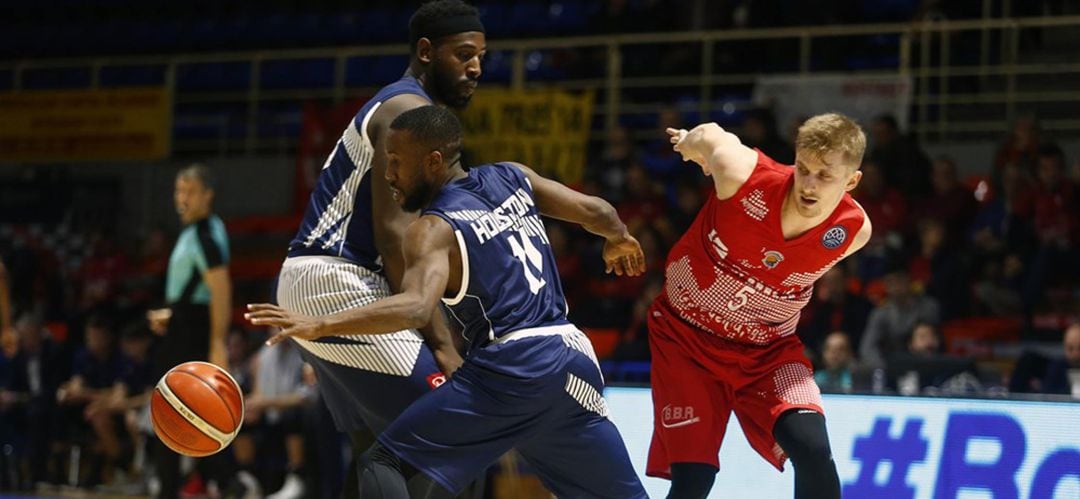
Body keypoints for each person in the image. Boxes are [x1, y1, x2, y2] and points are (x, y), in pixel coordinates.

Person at [247, 105, 648, 499]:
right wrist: (619, 240)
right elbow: (598, 211)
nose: (388, 175)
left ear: (433, 161)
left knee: (383, 464)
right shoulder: (513, 176)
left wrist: (323, 324)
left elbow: (416, 307)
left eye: (397, 162)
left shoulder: (432, 229)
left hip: (512, 369)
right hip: (572, 360)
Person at [271, 6, 485, 492]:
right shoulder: (405, 111)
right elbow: (395, 239)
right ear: (426, 52)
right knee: (457, 430)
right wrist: (443, 345)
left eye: (481, 57)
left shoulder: (411, 111)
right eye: (464, 55)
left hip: (329, 282)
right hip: (338, 281)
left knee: (387, 449)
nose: (476, 68)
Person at [647, 113, 873, 499]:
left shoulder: (853, 231)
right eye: (804, 169)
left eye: (825, 176)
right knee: (694, 480)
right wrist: (690, 142)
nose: (809, 184)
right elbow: (713, 135)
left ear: (851, 181)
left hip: (766, 352)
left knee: (814, 450)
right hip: (687, 341)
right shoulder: (741, 175)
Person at [147, 163, 233, 498]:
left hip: (194, 335)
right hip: (183, 326)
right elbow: (194, 289)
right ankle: (213, 483)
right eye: (178, 191)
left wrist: (217, 343)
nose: (181, 198)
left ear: (208, 195)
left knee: (175, 412)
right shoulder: (192, 232)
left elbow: (221, 289)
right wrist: (170, 314)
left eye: (190, 191)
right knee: (177, 414)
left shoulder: (206, 233)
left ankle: (225, 483)